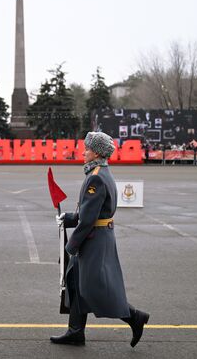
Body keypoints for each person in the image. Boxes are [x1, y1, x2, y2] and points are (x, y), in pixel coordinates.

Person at [51, 131, 149, 348]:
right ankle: (75, 331)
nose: (83, 152)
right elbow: (90, 212)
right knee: (76, 282)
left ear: (96, 152)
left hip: (94, 239)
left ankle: (135, 317)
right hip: (97, 235)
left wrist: (71, 245)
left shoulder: (95, 176)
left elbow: (87, 220)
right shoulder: (100, 172)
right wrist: (68, 218)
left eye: (87, 148)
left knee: (98, 289)